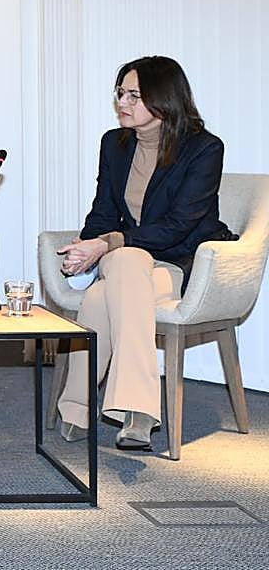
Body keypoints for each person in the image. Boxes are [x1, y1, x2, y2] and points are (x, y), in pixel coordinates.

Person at [56, 56, 233, 451]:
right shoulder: (114, 145)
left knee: (106, 289)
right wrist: (88, 249)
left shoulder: (203, 149)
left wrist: (109, 243)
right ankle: (136, 409)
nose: (122, 102)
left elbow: (179, 225)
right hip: (130, 264)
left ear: (164, 99)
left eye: (134, 95)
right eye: (120, 92)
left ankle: (77, 405)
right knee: (122, 264)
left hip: (178, 262)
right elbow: (102, 212)